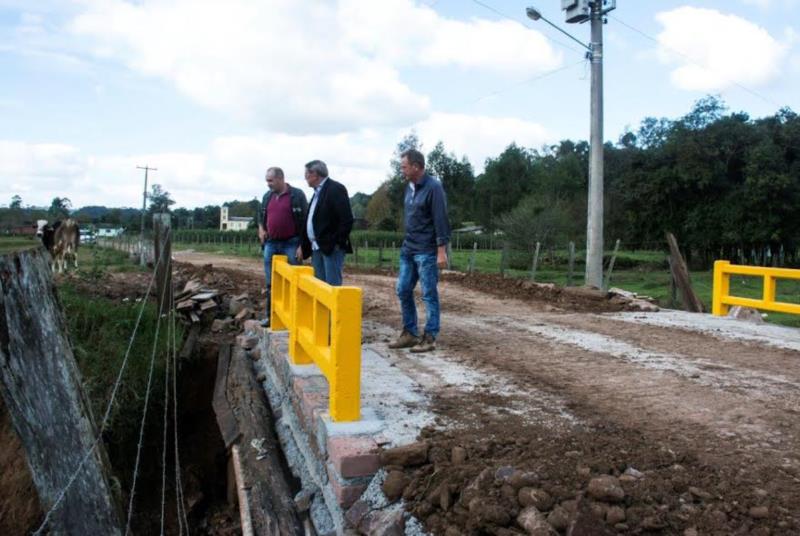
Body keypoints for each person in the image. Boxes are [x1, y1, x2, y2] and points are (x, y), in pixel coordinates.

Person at [388, 149, 450, 353]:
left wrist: (441, 250)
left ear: (416, 166)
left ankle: (430, 337)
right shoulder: (410, 187)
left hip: (427, 250)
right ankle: (410, 333)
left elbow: (441, 219)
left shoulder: (434, 188)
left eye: (404, 166)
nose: (402, 169)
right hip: (409, 248)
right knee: (403, 289)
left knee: (428, 294)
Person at [258, 166, 308, 327]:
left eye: (270, 180)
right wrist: (261, 229)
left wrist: (302, 245)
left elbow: (306, 221)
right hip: (271, 243)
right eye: (267, 181)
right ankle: (271, 317)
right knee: (271, 282)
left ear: (280, 178)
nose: (268, 184)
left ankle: (297, 318)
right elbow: (260, 216)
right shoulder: (267, 196)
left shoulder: (297, 195)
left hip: (291, 243)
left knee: (295, 280)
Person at [297, 160, 354, 286]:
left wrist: (336, 242)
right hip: (316, 247)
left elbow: (347, 219)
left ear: (315, 174)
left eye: (306, 174)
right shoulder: (317, 193)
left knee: (332, 288)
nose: (305, 177)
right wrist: (304, 243)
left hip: (331, 248)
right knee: (319, 288)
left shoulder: (335, 189)